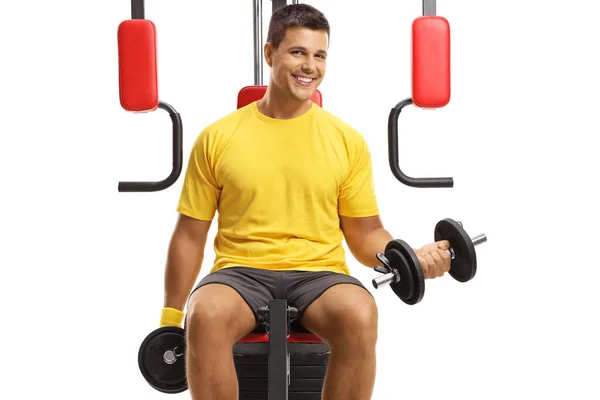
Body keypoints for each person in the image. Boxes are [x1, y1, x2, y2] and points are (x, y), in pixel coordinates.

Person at [159, 4, 451, 400]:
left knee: (359, 314)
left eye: (319, 55)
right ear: (269, 53)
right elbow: (190, 236)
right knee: (206, 316)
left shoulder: (346, 140)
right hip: (240, 272)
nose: (309, 66)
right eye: (298, 52)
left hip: (320, 273)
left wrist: (407, 256)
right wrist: (170, 317)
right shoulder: (218, 137)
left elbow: (365, 233)